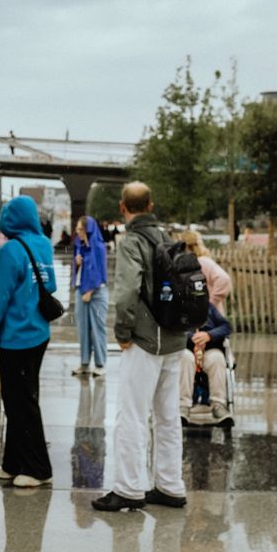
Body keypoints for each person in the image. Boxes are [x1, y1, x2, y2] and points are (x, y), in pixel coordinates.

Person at [93, 181, 190, 512]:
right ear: (151, 206)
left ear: (123, 207)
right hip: (175, 338)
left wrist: (123, 332)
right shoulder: (168, 238)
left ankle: (129, 488)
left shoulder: (132, 241)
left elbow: (126, 293)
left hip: (146, 340)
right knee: (168, 415)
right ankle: (170, 485)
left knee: (132, 415)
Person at [0, 195, 58, 489]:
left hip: (16, 338)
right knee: (21, 399)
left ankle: (38, 468)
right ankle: (13, 462)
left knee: (20, 403)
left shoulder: (9, 251)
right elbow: (50, 285)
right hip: (39, 333)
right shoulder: (44, 245)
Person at [180, 301, 233, 426]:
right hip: (186, 349)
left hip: (209, 349)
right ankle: (183, 405)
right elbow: (171, 329)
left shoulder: (209, 307)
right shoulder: (178, 307)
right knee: (185, 358)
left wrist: (209, 335)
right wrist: (193, 338)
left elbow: (226, 327)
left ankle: (218, 405)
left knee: (217, 358)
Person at [71, 212, 109, 378]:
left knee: (98, 328)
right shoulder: (79, 246)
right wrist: (78, 262)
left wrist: (90, 291)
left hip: (96, 292)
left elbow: (101, 272)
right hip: (81, 289)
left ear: (88, 230)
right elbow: (79, 269)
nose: (78, 232)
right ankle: (84, 362)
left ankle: (100, 364)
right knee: (83, 329)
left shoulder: (99, 247)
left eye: (80, 229)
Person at [181, 230, 231, 312]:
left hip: (208, 316)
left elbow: (224, 279)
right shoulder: (194, 262)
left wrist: (210, 303)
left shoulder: (202, 262)